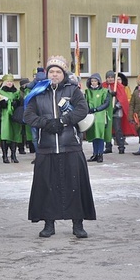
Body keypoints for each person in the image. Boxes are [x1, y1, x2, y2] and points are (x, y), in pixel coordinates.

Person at [23, 55, 95, 239]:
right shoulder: (38, 92)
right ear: (47, 74)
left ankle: (77, 224)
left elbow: (82, 109)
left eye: (58, 72)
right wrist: (46, 123)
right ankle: (49, 224)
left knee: (75, 186)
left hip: (70, 145)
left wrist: (64, 120)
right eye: (51, 71)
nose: (54, 75)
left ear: (64, 74)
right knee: (47, 187)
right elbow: (28, 116)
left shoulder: (73, 91)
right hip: (47, 147)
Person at [0, 74, 23, 163]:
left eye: (11, 82)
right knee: (5, 136)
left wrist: (16, 103)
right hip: (3, 117)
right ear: (4, 82)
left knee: (15, 135)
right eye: (8, 82)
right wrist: (2, 104)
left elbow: (21, 103)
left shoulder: (16, 92)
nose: (10, 83)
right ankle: (4, 155)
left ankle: (13, 155)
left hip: (14, 116)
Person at [103, 71, 134, 154]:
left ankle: (121, 146)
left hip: (117, 111)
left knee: (118, 129)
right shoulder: (103, 86)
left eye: (111, 77)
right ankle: (108, 146)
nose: (110, 79)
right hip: (107, 111)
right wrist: (109, 94)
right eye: (108, 77)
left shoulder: (119, 86)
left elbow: (123, 99)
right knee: (107, 129)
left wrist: (116, 106)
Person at [84, 73, 111, 163]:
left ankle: (100, 154)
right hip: (91, 115)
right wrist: (88, 109)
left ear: (99, 82)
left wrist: (96, 109)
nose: (94, 83)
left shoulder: (104, 91)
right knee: (93, 135)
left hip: (100, 115)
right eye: (92, 81)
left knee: (100, 134)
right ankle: (95, 153)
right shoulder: (88, 92)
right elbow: (85, 102)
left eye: (95, 81)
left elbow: (106, 103)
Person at [18, 78, 34, 154]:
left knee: (30, 132)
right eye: (24, 84)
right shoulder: (20, 92)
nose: (25, 86)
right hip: (21, 114)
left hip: (29, 113)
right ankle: (21, 148)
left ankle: (32, 148)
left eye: (26, 84)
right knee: (21, 132)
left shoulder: (31, 91)